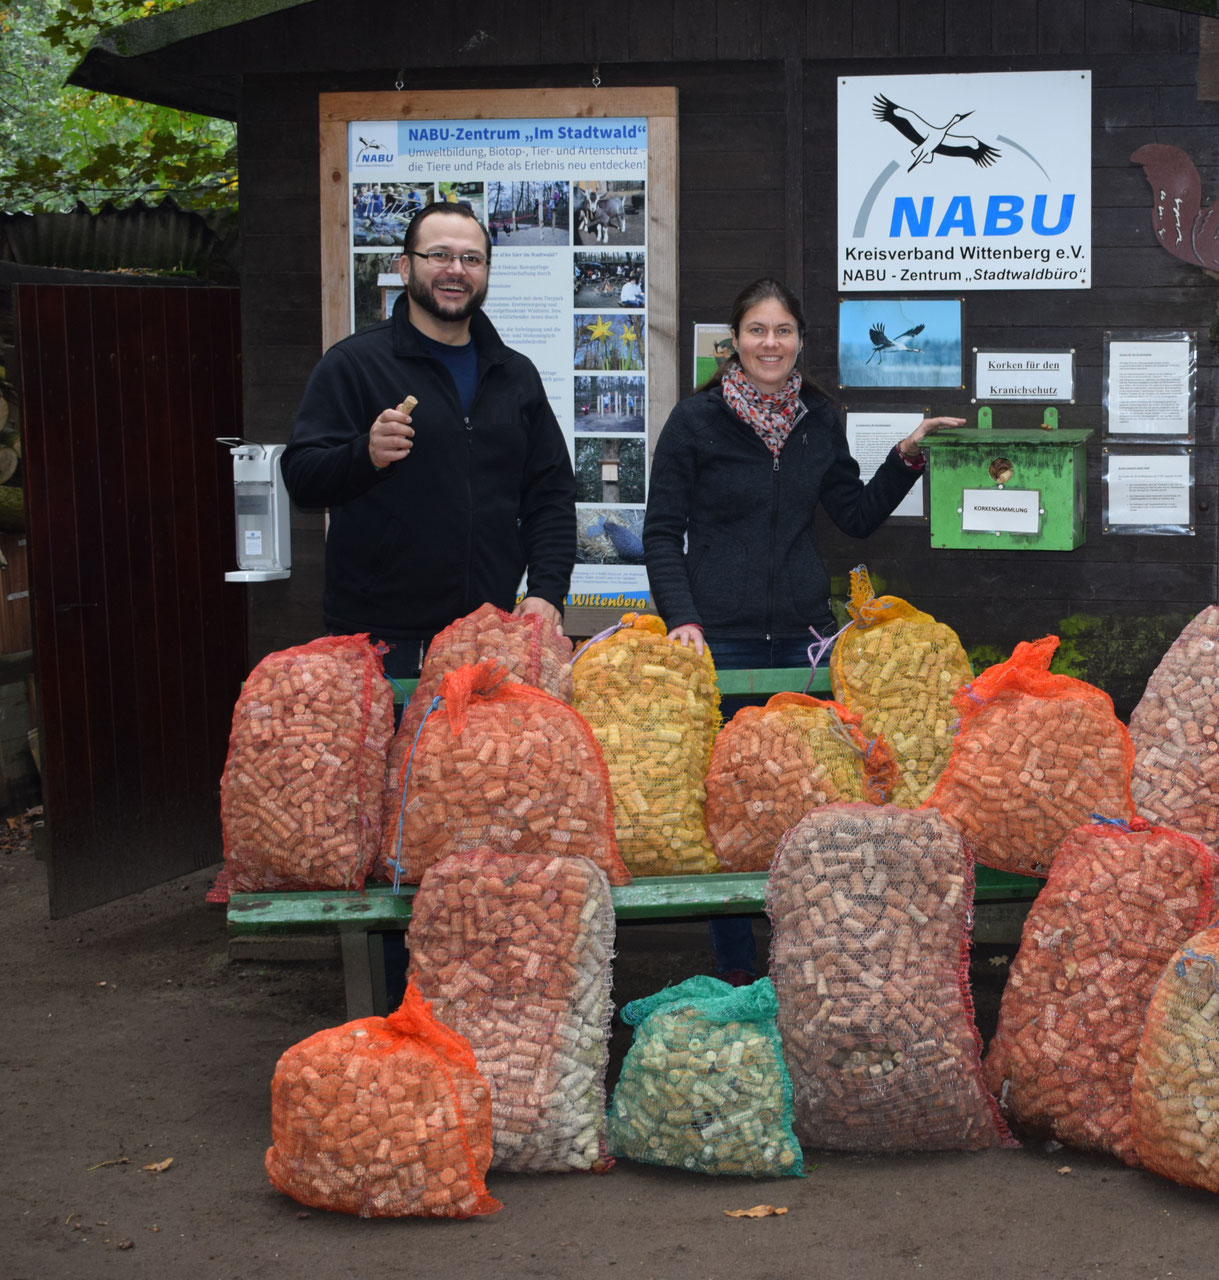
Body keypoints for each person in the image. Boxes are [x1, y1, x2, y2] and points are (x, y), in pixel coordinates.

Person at [643, 277, 962, 984]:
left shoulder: (819, 418)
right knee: (729, 815)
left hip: (802, 644)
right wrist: (683, 619)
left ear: (799, 341)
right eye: (757, 330)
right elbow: (662, 533)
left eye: (783, 331)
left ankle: (811, 968)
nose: (770, 344)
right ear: (735, 340)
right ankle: (739, 978)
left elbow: (852, 514)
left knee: (811, 809)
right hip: (719, 644)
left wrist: (907, 456)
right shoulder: (695, 422)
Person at [283, 201, 575, 680]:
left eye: (472, 259)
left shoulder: (514, 373)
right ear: (405, 267)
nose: (456, 270)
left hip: (489, 633)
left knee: (471, 759)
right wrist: (366, 456)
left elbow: (551, 494)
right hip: (379, 640)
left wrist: (546, 590)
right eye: (439, 255)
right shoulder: (355, 364)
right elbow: (302, 478)